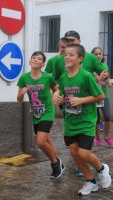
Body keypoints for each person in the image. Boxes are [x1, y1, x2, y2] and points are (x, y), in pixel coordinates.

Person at [53, 43, 111, 196]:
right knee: (74, 152)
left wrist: (81, 100)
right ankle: (91, 181)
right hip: (71, 121)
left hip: (86, 121)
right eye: (66, 54)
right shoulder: (64, 77)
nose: (67, 57)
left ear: (80, 58)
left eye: (71, 55)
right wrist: (58, 98)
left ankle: (102, 169)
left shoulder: (86, 76)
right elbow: (62, 92)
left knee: (83, 153)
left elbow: (101, 96)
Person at [17, 51, 64, 179]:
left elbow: (57, 88)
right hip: (36, 114)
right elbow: (19, 99)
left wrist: (55, 94)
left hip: (48, 112)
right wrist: (22, 93)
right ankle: (58, 160)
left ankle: (55, 164)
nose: (36, 60)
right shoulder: (24, 78)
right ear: (30, 61)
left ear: (43, 64)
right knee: (47, 140)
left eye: (39, 59)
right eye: (34, 57)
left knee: (41, 142)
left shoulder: (48, 77)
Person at [91, 47, 113, 146]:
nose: (98, 55)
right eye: (96, 54)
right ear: (92, 56)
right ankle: (97, 137)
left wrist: (108, 82)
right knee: (96, 119)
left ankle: (107, 136)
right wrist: (97, 77)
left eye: (100, 53)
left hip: (104, 96)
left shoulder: (104, 66)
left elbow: (107, 78)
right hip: (94, 96)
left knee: (108, 117)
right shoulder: (89, 68)